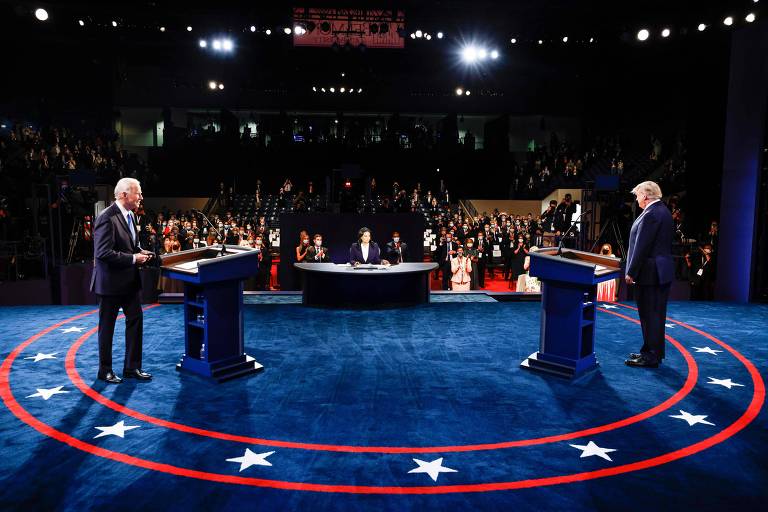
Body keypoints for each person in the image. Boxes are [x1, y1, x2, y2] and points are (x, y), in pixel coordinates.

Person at [90, 178, 153, 384]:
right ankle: (104, 370)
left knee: (135, 320)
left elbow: (129, 246)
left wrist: (139, 251)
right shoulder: (106, 217)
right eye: (138, 193)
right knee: (107, 327)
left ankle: (132, 367)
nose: (141, 197)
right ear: (124, 195)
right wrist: (134, 258)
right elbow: (103, 253)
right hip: (109, 284)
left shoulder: (131, 216)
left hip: (128, 282)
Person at [624, 181, 674, 368]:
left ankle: (651, 356)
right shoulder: (662, 210)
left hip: (651, 273)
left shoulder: (652, 214)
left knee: (650, 315)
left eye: (637, 195)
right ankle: (650, 352)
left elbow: (642, 246)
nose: (636, 199)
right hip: (658, 271)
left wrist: (631, 271)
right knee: (653, 315)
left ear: (645, 195)